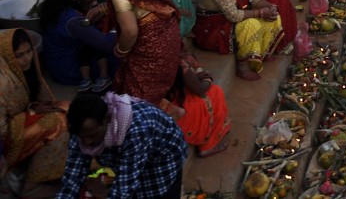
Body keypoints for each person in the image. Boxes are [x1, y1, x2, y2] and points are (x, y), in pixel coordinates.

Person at [58, 91, 188, 199]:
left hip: (163, 156)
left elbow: (124, 187)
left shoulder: (137, 129)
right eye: (82, 137)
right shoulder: (81, 128)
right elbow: (73, 175)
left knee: (157, 192)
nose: (87, 142)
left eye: (92, 135)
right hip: (135, 153)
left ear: (107, 119)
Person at [104, 0, 180, 105]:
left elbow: (130, 32)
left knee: (138, 97)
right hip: (170, 40)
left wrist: (120, 52)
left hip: (151, 50)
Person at [195, 0, 282, 80]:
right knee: (251, 25)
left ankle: (258, 56)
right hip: (213, 29)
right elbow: (233, 15)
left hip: (228, 22)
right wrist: (260, 12)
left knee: (274, 17)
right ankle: (243, 66)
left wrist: (270, 7)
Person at [0, 29, 70, 190]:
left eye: (29, 51)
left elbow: (30, 101)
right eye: (19, 55)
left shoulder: (21, 70)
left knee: (67, 107)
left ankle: (53, 165)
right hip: (5, 142)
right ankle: (33, 182)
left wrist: (33, 108)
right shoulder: (3, 82)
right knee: (57, 121)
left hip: (19, 121)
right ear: (7, 56)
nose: (27, 59)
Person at [38, 0, 115, 90]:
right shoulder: (73, 20)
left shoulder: (60, 2)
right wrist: (117, 30)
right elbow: (107, 45)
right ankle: (96, 79)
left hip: (58, 63)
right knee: (122, 56)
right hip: (69, 68)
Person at [167, 48, 230, 157]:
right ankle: (208, 146)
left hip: (155, 104)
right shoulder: (174, 56)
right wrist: (208, 79)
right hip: (174, 113)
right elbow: (200, 90)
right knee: (215, 92)